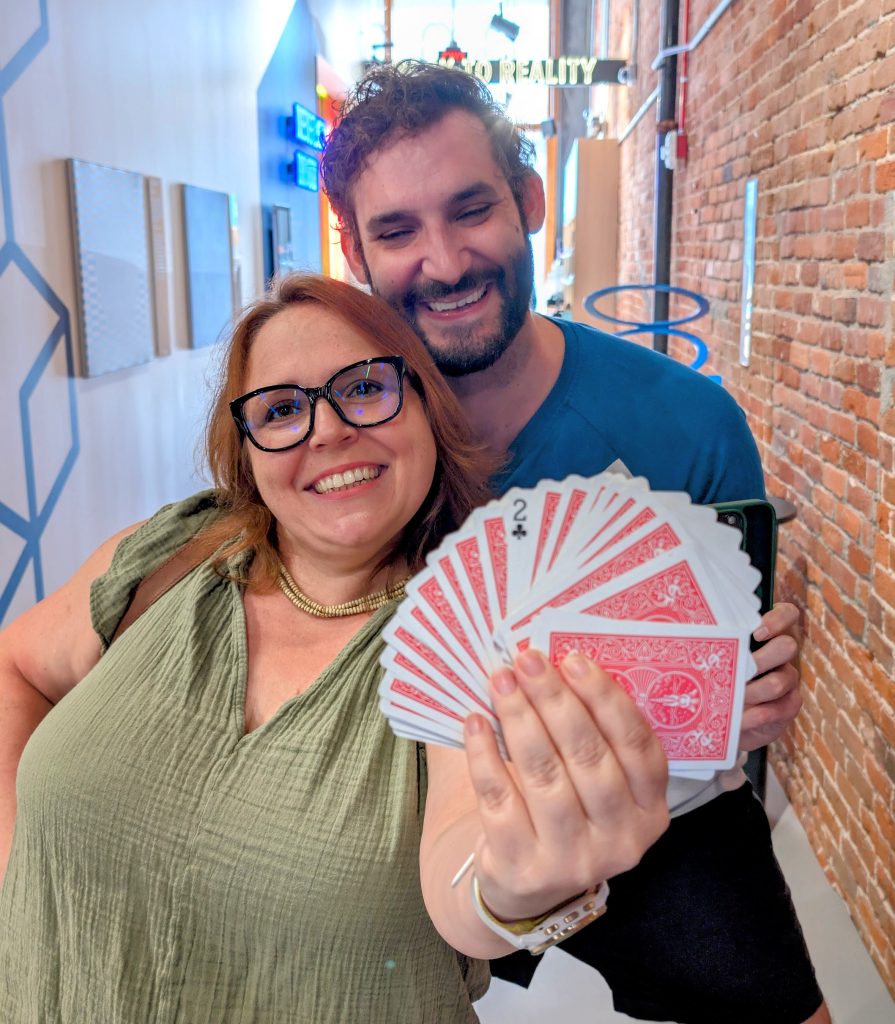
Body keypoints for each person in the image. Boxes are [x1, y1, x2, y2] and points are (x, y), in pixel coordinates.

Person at [0, 274, 671, 1023]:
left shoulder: (479, 631)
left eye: (363, 387)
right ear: (246, 444)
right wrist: (16, 869)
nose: (325, 432)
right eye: (282, 409)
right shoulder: (167, 554)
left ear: (425, 405)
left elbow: (467, 875)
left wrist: (512, 889)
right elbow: (16, 665)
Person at [320, 60, 830, 1024]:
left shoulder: (691, 426)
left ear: (530, 201)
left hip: (670, 826)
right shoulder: (348, 452)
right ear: (355, 249)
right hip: (426, 844)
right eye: (396, 230)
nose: (443, 260)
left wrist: (748, 697)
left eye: (470, 210)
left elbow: (734, 693)